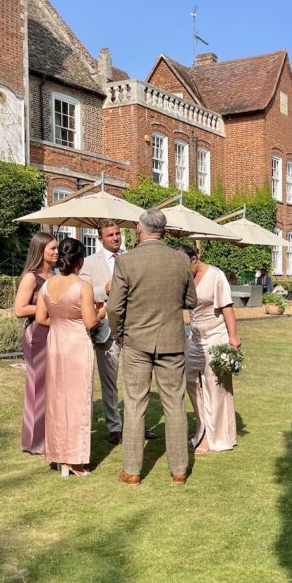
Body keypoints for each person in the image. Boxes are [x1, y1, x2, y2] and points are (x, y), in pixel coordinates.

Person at [107, 208, 197, 486]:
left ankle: (132, 471)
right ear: (164, 231)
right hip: (171, 339)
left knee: (135, 404)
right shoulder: (181, 260)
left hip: (135, 340)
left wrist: (119, 334)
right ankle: (179, 470)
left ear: (139, 228)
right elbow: (191, 301)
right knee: (174, 404)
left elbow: (113, 307)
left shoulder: (126, 261)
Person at [79, 220, 159, 446]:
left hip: (135, 328)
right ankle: (114, 427)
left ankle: (137, 425)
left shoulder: (132, 257)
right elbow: (81, 292)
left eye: (117, 234)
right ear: (100, 239)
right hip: (106, 331)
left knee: (138, 381)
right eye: (110, 235)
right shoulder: (89, 263)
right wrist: (103, 290)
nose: (115, 238)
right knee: (110, 382)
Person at [35, 237, 106, 477]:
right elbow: (90, 322)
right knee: (77, 402)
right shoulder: (82, 286)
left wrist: (60, 322)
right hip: (76, 346)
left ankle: (58, 455)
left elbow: (41, 319)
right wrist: (102, 311)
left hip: (55, 344)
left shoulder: (47, 285)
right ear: (80, 260)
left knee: (57, 401)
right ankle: (74, 461)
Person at [178, 245, 240, 455]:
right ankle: (202, 429)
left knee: (216, 388)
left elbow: (227, 308)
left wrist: (233, 338)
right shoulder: (185, 277)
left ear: (195, 258)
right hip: (194, 338)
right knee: (189, 380)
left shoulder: (215, 275)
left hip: (216, 337)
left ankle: (213, 438)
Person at [14, 232, 58, 454]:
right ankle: (34, 441)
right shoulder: (31, 277)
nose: (57, 252)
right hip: (36, 335)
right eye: (52, 249)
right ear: (41, 251)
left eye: (57, 248)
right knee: (37, 386)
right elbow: (19, 309)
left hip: (53, 334)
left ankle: (46, 436)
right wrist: (49, 307)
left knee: (50, 387)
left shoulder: (55, 275)